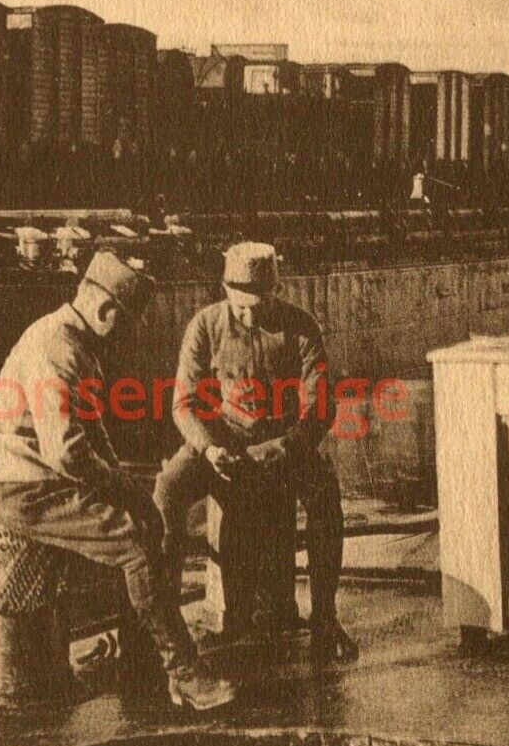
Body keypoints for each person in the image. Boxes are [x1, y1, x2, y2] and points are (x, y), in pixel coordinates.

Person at [0, 251, 237, 710]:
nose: (128, 333)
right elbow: (68, 450)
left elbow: (93, 437)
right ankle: (185, 672)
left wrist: (132, 492)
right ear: (104, 311)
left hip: (44, 479)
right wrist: (122, 489)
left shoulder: (75, 341)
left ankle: (140, 666)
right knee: (136, 547)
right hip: (25, 491)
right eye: (126, 321)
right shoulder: (57, 348)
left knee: (149, 523)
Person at [154, 241, 359, 663]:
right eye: (241, 306)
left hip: (283, 444)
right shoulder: (205, 325)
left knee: (325, 495)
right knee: (167, 489)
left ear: (275, 292)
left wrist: (288, 445)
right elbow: (184, 404)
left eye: (259, 306)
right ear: (226, 291)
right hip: (222, 442)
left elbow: (321, 406)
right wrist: (208, 447)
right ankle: (161, 626)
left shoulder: (301, 327)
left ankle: (324, 617)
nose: (249, 315)